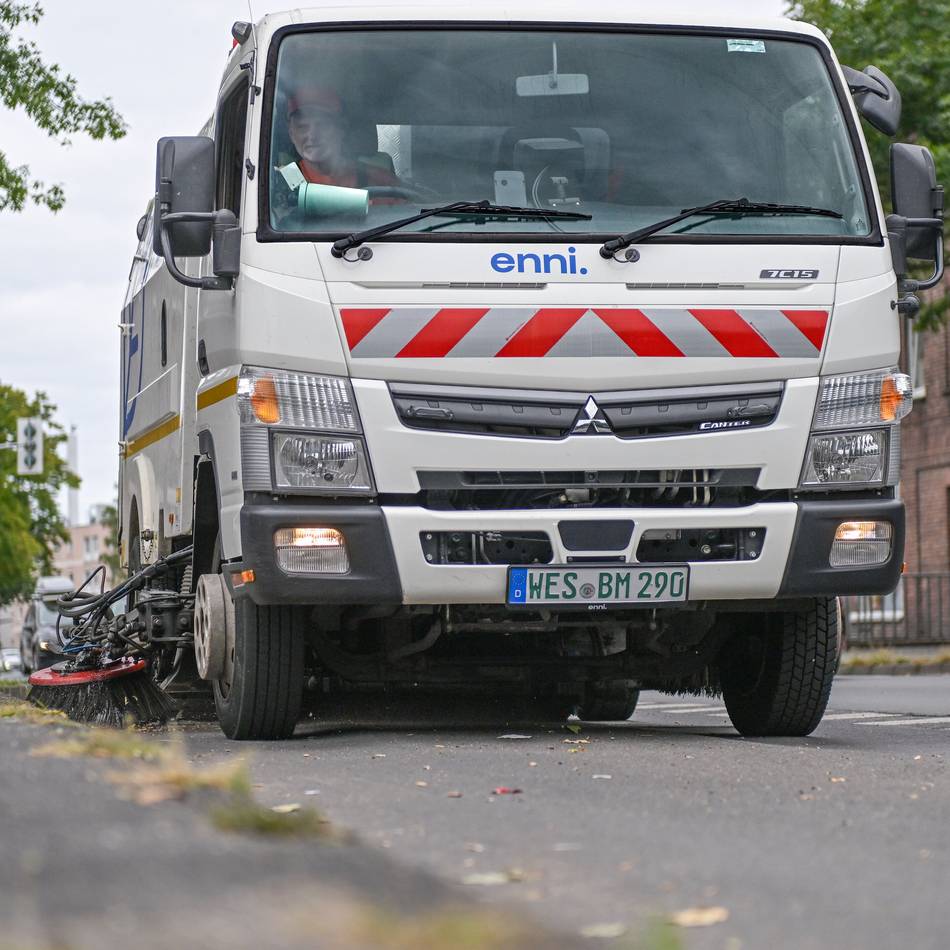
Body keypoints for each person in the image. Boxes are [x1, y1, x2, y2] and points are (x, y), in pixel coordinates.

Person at [285, 85, 400, 191]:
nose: (312, 135)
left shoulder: (382, 182)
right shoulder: (279, 184)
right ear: (291, 134)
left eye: (322, 125)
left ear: (341, 129)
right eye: (302, 127)